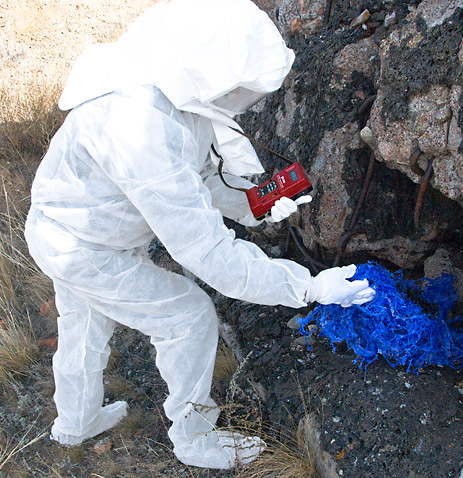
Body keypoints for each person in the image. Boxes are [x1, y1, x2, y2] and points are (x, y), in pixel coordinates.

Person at [24, 0, 375, 470]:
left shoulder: (162, 87)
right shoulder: (138, 125)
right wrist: (307, 287)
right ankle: (194, 438)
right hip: (82, 248)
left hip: (70, 232)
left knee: (83, 328)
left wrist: (256, 208)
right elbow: (208, 252)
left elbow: (197, 179)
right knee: (189, 317)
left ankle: (75, 422)